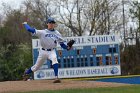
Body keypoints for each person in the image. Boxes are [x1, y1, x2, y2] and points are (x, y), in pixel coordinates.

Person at [22, 17, 71, 83]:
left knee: (54, 59)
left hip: (52, 51)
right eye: (50, 22)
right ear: (47, 24)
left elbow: (62, 44)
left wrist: (67, 48)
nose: (51, 24)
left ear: (54, 24)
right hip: (43, 51)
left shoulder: (57, 33)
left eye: (53, 23)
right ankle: (26, 72)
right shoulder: (42, 32)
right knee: (36, 67)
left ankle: (56, 77)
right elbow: (29, 29)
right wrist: (25, 24)